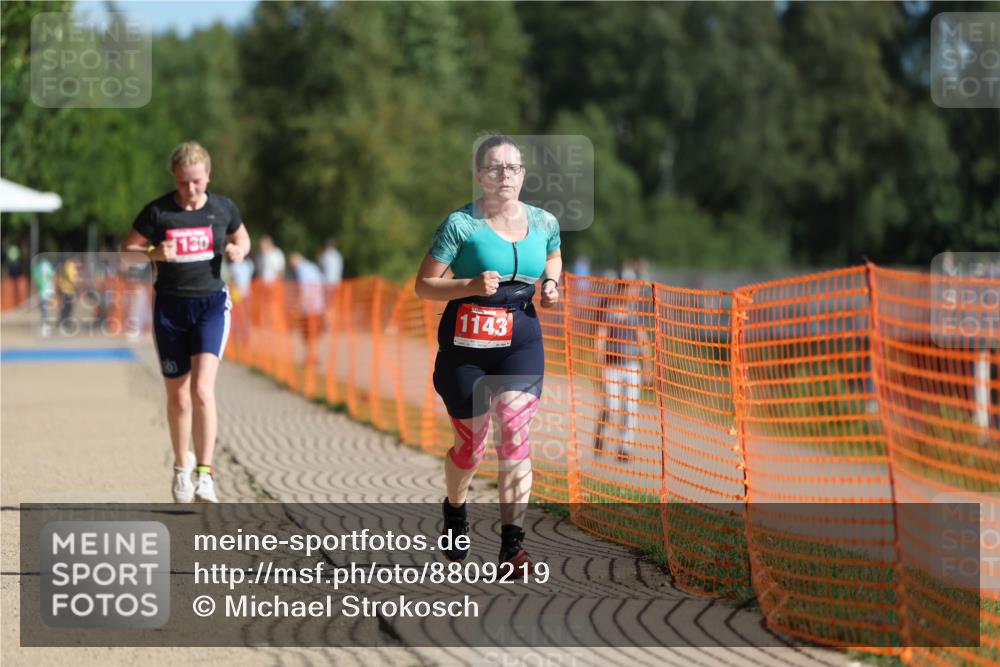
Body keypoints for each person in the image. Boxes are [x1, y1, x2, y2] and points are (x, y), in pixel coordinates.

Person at [415, 133, 561, 574]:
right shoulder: (460, 224)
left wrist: (552, 284)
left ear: (523, 175)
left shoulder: (543, 221)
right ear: (480, 176)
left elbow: (553, 255)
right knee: (470, 447)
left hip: (521, 339)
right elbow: (423, 286)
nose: (505, 176)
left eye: (513, 168)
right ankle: (456, 508)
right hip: (467, 344)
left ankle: (512, 546)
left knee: (515, 429)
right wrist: (471, 286)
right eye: (495, 168)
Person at [120, 141, 251, 503]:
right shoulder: (158, 213)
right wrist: (152, 253)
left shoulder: (224, 208)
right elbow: (126, 253)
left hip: (210, 305)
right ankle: (181, 467)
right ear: (174, 180)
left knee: (203, 390)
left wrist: (239, 249)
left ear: (208, 175)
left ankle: (205, 474)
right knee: (178, 396)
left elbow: (241, 237)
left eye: (196, 181)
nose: (190, 190)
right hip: (170, 310)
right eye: (182, 183)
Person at [593, 281, 651, 462]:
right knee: (611, 406)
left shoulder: (635, 315)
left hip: (632, 366)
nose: (634, 292)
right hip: (612, 366)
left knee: (630, 408)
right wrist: (600, 363)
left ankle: (624, 448)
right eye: (630, 288)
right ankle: (600, 436)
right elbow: (600, 339)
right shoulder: (608, 312)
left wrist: (648, 367)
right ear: (621, 290)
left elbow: (643, 341)